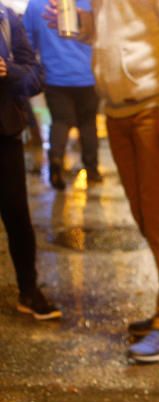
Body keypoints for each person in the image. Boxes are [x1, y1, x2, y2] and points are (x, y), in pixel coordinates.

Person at [52, 0, 159, 362]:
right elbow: (128, 34)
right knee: (147, 217)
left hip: (157, 105)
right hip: (122, 109)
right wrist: (89, 27)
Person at [0, 1, 60, 320]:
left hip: (5, 136)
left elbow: (36, 77)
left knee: (18, 219)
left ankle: (29, 291)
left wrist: (9, 70)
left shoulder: (7, 18)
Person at [22, 0, 100, 190]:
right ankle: (92, 170)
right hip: (87, 75)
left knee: (60, 121)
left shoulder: (36, 5)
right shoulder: (90, 3)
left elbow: (27, 43)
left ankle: (56, 160)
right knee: (88, 123)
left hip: (55, 76)